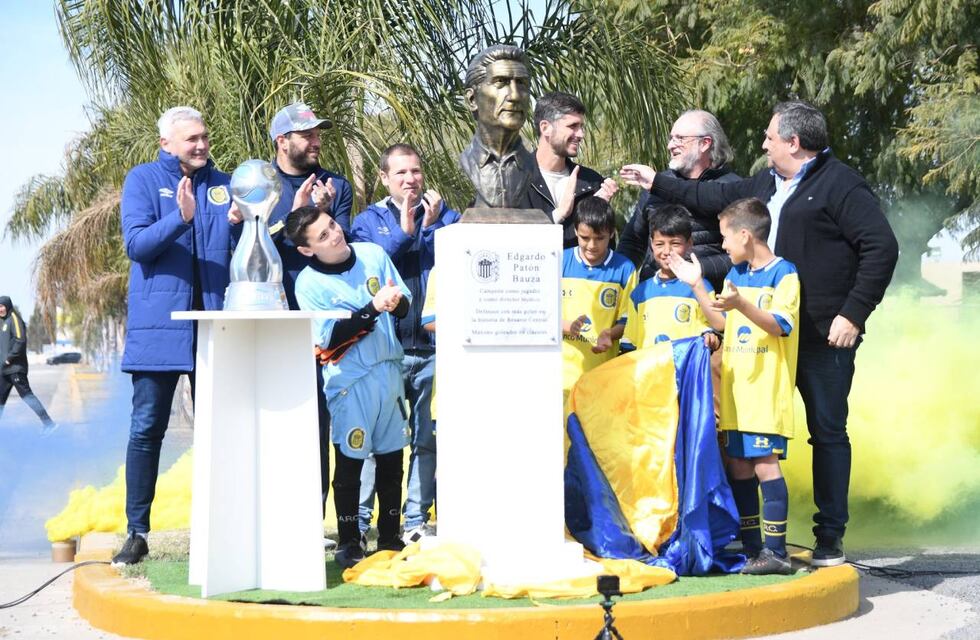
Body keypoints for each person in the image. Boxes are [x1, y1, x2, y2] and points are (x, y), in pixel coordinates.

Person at [620, 100, 899, 565]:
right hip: (755, 344)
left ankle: (829, 537)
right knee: (744, 438)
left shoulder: (840, 184)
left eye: (770, 136)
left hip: (819, 335)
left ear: (793, 141)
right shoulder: (764, 183)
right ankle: (756, 544)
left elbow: (881, 246)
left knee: (827, 432)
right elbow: (707, 199)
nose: (763, 143)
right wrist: (657, 182)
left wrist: (852, 314)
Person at [112, 106, 235, 566]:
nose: (201, 145)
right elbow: (137, 245)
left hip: (218, 328)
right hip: (159, 329)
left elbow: (243, 249)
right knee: (147, 429)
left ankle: (225, 524)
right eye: (191, 140)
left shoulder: (225, 185)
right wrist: (180, 218)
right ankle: (137, 532)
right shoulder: (142, 180)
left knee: (222, 429)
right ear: (166, 144)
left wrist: (247, 223)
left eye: (204, 137)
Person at [287, 206, 411, 569]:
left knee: (391, 457)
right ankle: (349, 539)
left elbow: (404, 308)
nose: (335, 235)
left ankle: (389, 536)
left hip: (389, 372)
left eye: (332, 225)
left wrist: (396, 302)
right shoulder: (308, 284)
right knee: (351, 459)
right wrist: (372, 308)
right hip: (349, 382)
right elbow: (329, 337)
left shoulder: (373, 254)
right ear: (307, 250)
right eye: (322, 236)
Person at [351, 144, 460, 545]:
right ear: (384, 178)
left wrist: (430, 227)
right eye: (400, 173)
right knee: (376, 439)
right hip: (386, 352)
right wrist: (408, 229)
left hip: (433, 350)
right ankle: (360, 523)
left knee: (426, 439)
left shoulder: (446, 216)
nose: (410, 179)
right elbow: (376, 264)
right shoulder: (368, 221)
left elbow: (458, 261)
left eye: (415, 171)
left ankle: (415, 520)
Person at [263, 101, 355, 531]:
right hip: (277, 322)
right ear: (283, 142)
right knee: (285, 422)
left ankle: (320, 524)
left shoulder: (336, 184)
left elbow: (338, 250)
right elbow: (254, 244)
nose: (317, 141)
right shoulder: (262, 184)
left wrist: (324, 213)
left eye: (319, 133)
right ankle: (279, 520)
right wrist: (291, 213)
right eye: (307, 135)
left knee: (326, 422)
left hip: (327, 325)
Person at [712, 198, 800, 575]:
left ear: (745, 235)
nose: (723, 246)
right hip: (736, 393)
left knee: (765, 465)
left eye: (725, 238)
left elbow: (780, 324)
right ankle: (752, 551)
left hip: (765, 392)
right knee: (739, 467)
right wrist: (696, 284)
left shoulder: (785, 273)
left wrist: (740, 305)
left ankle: (777, 551)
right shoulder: (737, 277)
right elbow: (721, 319)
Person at [618, 110, 739, 291]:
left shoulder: (731, 188)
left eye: (680, 138)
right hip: (654, 298)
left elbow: (744, 253)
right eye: (671, 138)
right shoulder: (653, 185)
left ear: (705, 143)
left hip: (708, 301)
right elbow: (632, 243)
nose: (670, 145)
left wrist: (697, 270)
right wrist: (614, 279)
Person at [619, 206, 723, 352]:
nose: (667, 251)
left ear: (689, 243)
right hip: (650, 374)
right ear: (651, 243)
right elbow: (630, 346)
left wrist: (712, 337)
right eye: (660, 244)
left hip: (685, 374)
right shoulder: (640, 293)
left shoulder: (701, 288)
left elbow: (716, 329)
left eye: (675, 244)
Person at [560, 197, 634, 393]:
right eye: (585, 238)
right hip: (560, 376)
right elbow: (538, 315)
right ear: (575, 230)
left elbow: (627, 321)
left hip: (601, 374)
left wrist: (609, 334)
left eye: (599, 238)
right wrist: (567, 326)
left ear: (611, 234)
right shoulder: (558, 261)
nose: (592, 245)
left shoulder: (625, 269)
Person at [527, 92, 618, 248]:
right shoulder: (510, 179)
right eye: (572, 126)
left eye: (581, 127)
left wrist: (595, 213)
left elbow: (606, 252)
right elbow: (497, 237)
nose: (581, 134)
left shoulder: (592, 182)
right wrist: (558, 214)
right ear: (545, 128)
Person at [459, 44, 535, 208]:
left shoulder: (532, 165)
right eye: (501, 82)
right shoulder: (463, 162)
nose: (514, 96)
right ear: (472, 100)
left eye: (521, 83)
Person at [0, 296, 55, 431]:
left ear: (7, 306)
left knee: (27, 396)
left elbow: (20, 340)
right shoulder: (5, 322)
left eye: (2, 306)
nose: (0, 309)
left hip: (15, 368)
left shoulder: (14, 319)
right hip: (5, 370)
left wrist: (9, 358)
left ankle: (49, 424)